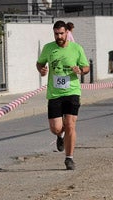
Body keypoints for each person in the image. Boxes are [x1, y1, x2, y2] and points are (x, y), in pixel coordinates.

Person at [36, 20, 90, 171]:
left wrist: (80, 70)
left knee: (71, 125)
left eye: (61, 33)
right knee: (56, 128)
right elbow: (39, 63)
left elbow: (86, 67)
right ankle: (60, 137)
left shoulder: (76, 48)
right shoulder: (48, 48)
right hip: (54, 93)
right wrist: (41, 70)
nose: (59, 36)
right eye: (56, 34)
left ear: (67, 33)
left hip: (72, 91)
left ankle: (69, 158)